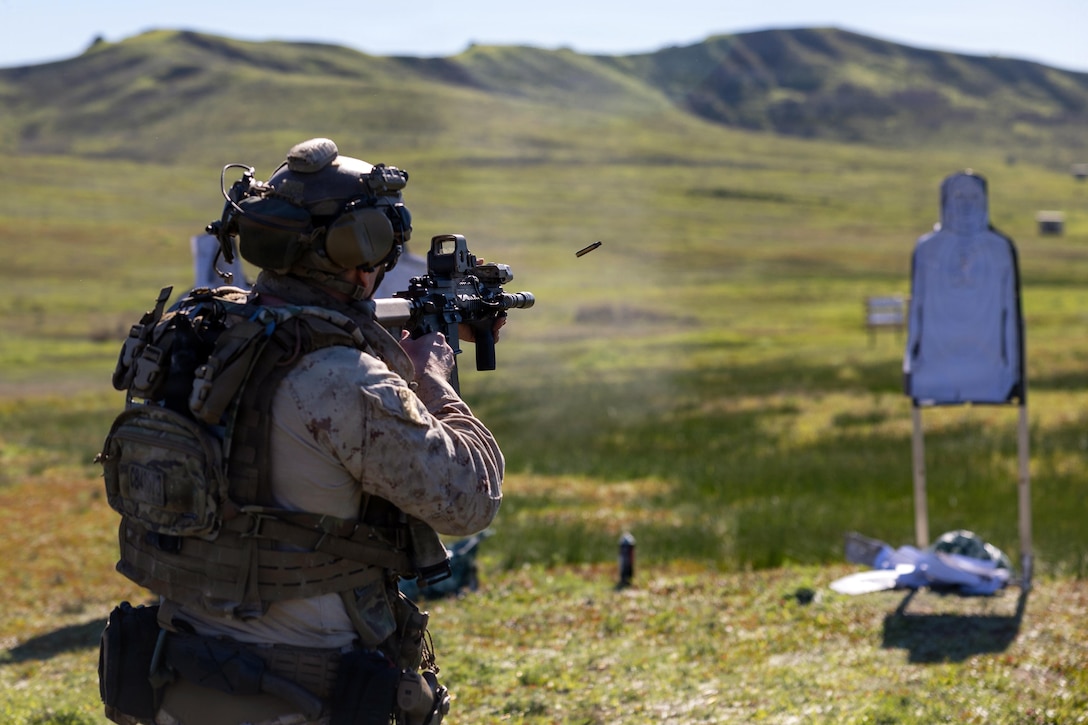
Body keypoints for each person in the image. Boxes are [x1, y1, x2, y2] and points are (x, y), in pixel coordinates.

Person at [100, 137, 504, 725]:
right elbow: (469, 502)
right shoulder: (341, 379)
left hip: (176, 681)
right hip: (302, 696)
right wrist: (433, 380)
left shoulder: (199, 334)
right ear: (359, 246)